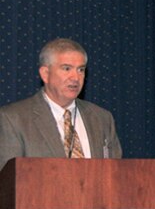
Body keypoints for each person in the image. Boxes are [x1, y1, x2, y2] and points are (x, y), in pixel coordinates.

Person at [0, 38, 122, 170]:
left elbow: (115, 176)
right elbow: (8, 183)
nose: (75, 77)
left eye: (81, 70)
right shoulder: (13, 119)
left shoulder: (102, 118)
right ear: (45, 74)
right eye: (67, 68)